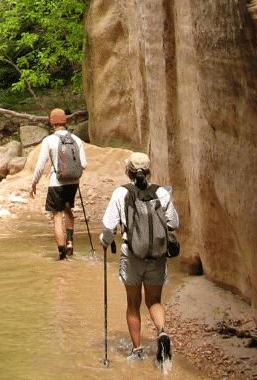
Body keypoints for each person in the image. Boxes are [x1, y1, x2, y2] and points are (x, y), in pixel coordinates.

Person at [100, 152, 179, 363]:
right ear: (149, 171)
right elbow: (173, 223)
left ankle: (137, 350)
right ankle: (161, 331)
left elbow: (109, 227)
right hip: (157, 255)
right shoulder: (161, 192)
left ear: (128, 171)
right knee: (154, 301)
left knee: (133, 302)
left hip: (132, 254)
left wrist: (105, 242)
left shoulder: (121, 193)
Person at [29, 108, 87, 260]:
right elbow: (84, 165)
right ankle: (69, 241)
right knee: (68, 210)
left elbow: (41, 166)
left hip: (56, 183)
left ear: (51, 122)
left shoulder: (49, 140)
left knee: (57, 216)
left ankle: (62, 256)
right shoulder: (76, 139)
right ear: (65, 121)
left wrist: (34, 183)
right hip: (73, 182)